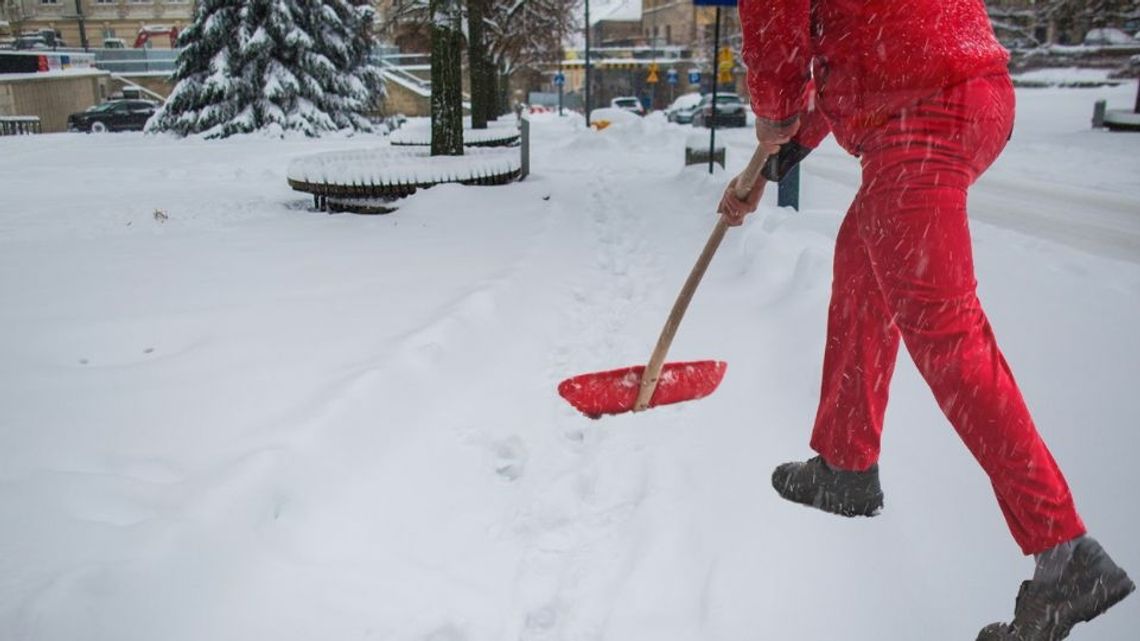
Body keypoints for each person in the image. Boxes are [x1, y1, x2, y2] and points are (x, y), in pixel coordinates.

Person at [718, 2, 1134, 639]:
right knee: (862, 258)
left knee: (949, 336)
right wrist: (781, 156)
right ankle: (847, 467)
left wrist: (774, 108)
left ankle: (1066, 556)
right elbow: (862, 44)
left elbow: (781, 18)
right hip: (946, 87)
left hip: (924, 109)